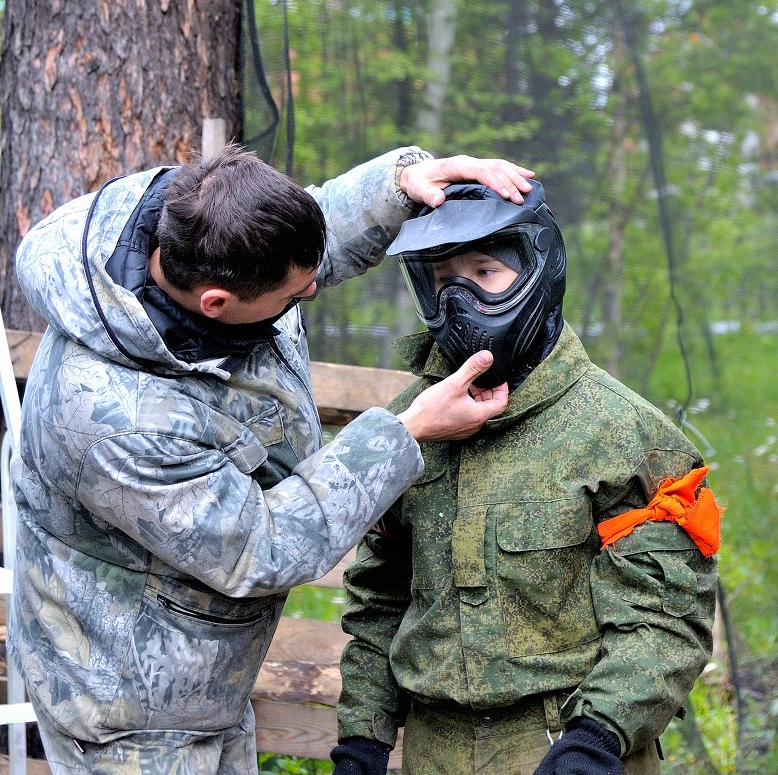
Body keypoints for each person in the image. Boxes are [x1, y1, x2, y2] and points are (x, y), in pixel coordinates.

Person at [9, 143, 536, 774]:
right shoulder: (116, 418)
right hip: (131, 710)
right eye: (295, 295)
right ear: (216, 305)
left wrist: (396, 186)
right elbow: (262, 546)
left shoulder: (186, 223)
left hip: (202, 673)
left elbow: (298, 246)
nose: (314, 288)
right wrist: (406, 434)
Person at [331, 182, 721, 775]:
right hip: (433, 749)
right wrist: (362, 741)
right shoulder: (411, 428)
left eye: (484, 272)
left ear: (537, 269)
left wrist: (596, 738)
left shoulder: (621, 434)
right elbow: (381, 598)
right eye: (441, 281)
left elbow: (666, 619)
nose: (459, 298)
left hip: (565, 747)